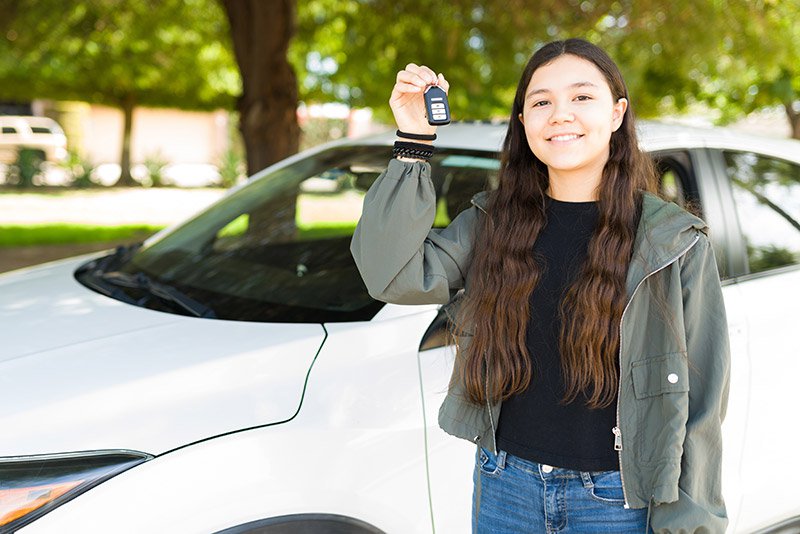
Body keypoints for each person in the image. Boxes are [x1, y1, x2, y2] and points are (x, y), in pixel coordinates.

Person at [350, 38, 730, 534]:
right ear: (524, 121)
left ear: (617, 114)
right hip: (505, 487)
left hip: (619, 500)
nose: (560, 115)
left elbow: (702, 405)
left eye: (581, 97)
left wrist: (690, 525)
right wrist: (414, 140)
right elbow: (392, 274)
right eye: (541, 101)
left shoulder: (672, 242)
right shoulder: (493, 223)